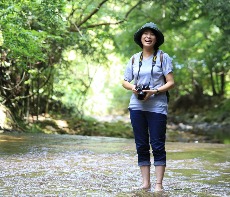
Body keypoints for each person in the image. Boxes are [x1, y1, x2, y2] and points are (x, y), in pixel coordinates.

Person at [122, 22, 175, 191]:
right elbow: (124, 81)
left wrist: (154, 91)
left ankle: (159, 184)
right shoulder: (134, 58)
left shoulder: (162, 57)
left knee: (158, 144)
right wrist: (134, 89)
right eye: (145, 33)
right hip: (136, 107)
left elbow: (171, 83)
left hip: (158, 107)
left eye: (152, 34)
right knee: (141, 144)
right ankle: (146, 184)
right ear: (140, 38)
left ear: (156, 38)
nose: (148, 36)